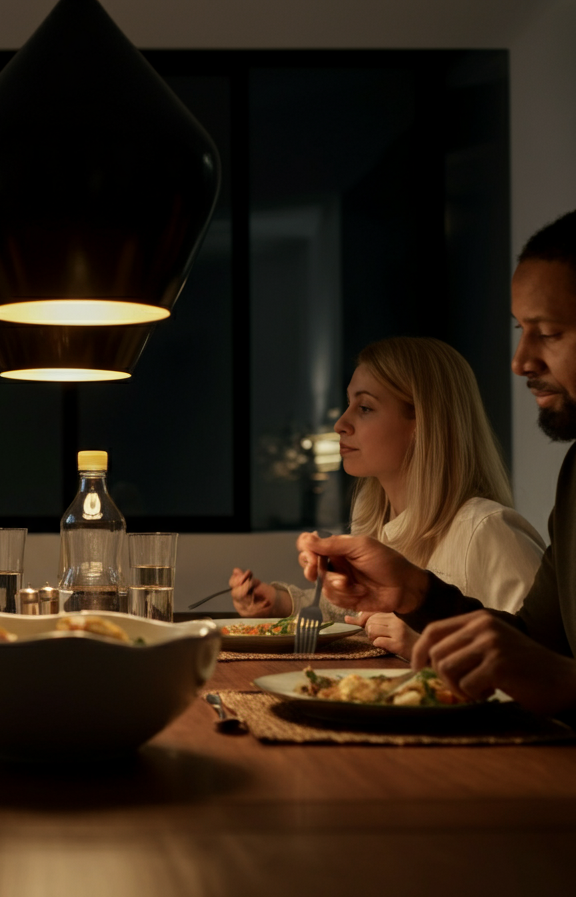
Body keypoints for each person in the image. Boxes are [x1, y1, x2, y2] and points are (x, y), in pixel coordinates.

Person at [298, 210, 576, 715]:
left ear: (423, 422)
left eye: (549, 332)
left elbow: (546, 666)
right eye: (520, 330)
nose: (519, 362)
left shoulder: (486, 528)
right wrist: (415, 591)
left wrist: (556, 677)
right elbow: (534, 643)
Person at [229, 336, 544, 657]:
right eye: (348, 404)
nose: (340, 424)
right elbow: (356, 616)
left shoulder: (489, 530)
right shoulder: (375, 518)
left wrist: (425, 647)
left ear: (423, 423)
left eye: (364, 407)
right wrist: (279, 602)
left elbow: (541, 661)